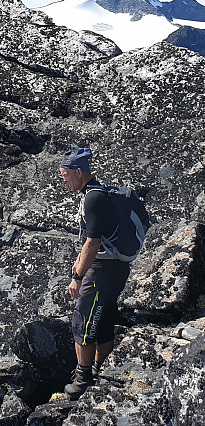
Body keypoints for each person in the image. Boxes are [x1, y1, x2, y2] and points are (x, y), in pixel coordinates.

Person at [59, 146, 131, 400]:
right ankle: (98, 370)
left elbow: (93, 242)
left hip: (102, 271)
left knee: (83, 320)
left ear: (79, 172)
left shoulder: (93, 198)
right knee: (104, 318)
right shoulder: (99, 193)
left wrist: (78, 275)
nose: (64, 179)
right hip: (116, 268)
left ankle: (83, 378)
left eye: (65, 174)